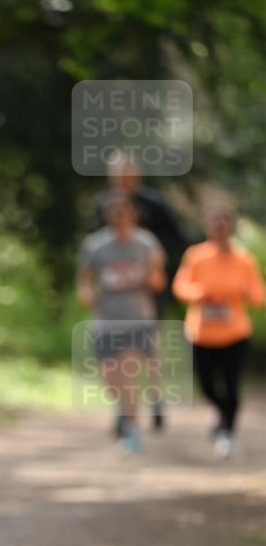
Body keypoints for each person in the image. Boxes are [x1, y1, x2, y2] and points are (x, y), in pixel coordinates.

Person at [97, 153, 189, 430]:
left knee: (149, 349)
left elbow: (178, 239)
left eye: (128, 173)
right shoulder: (104, 205)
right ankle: (124, 406)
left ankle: (155, 396)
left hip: (148, 291)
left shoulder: (154, 204)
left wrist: (155, 267)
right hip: (114, 293)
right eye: (118, 173)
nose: (123, 178)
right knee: (117, 353)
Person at [173, 203, 264, 458]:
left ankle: (227, 434)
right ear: (208, 226)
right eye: (215, 222)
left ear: (230, 226)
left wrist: (244, 293)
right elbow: (181, 287)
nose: (220, 227)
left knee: (232, 385)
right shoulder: (196, 256)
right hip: (202, 333)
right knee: (206, 385)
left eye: (224, 222)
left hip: (235, 333)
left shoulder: (244, 259)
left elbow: (259, 295)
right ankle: (221, 412)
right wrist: (202, 294)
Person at [77, 191, 166, 452]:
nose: (118, 217)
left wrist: (152, 279)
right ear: (107, 216)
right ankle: (125, 409)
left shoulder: (146, 243)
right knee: (109, 377)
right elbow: (84, 278)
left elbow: (159, 278)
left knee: (128, 373)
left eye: (123, 211)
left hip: (138, 318)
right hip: (106, 319)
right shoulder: (95, 245)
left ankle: (132, 427)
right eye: (113, 212)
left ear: (132, 214)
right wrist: (86, 293)